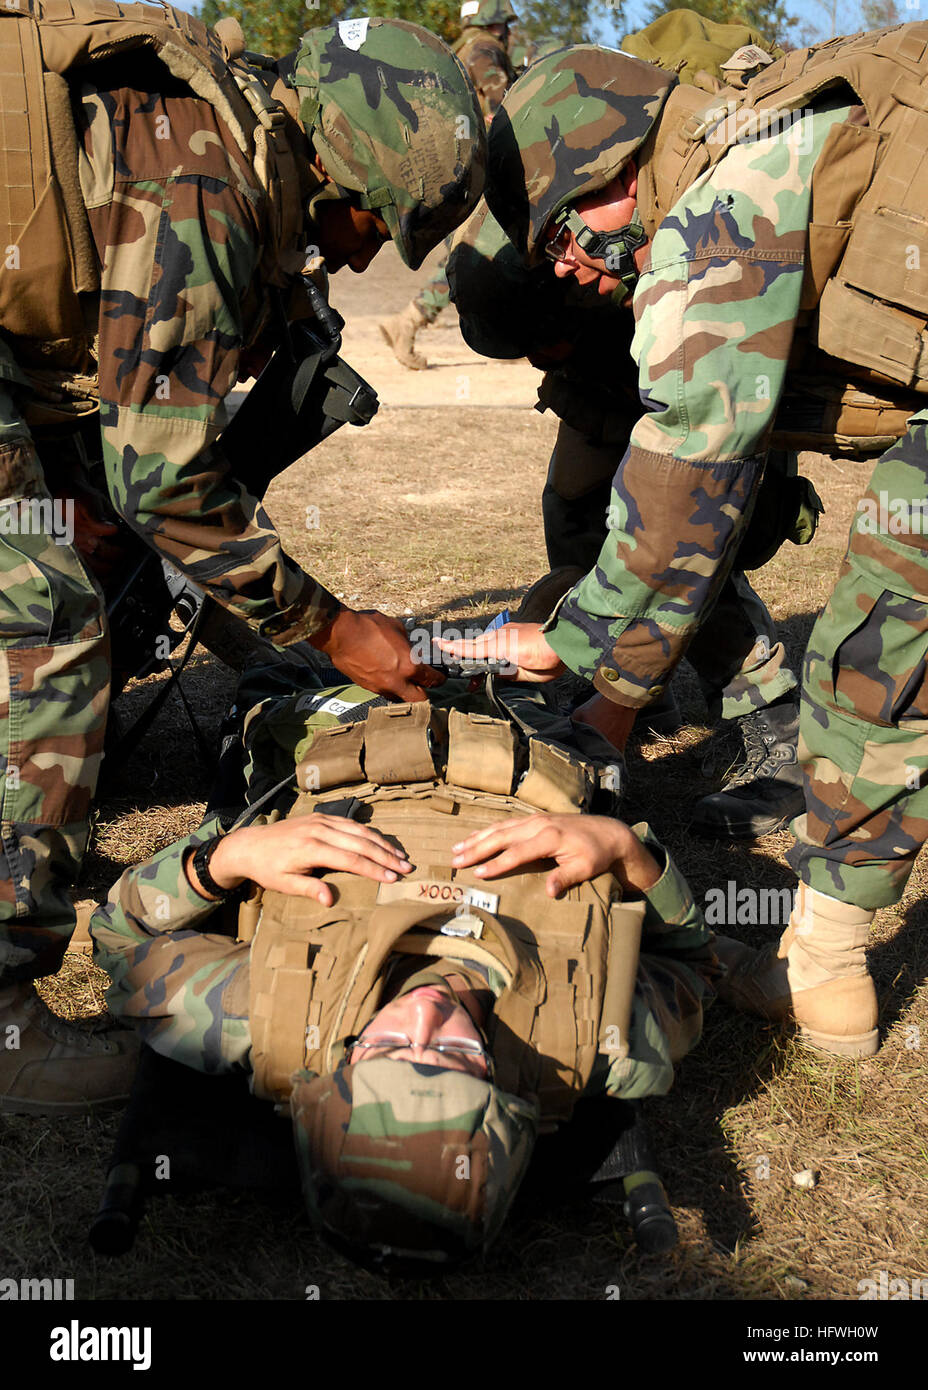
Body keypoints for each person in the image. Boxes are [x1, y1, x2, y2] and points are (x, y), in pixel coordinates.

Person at [0, 7, 486, 1114]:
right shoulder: (207, 194)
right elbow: (164, 484)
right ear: (339, 169)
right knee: (48, 633)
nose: (363, 252)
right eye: (374, 221)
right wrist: (333, 630)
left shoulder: (195, 129)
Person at [439, 27, 928, 1057]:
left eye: (565, 231)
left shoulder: (716, 208)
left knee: (878, 637)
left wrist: (586, 671)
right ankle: (827, 965)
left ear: (615, 164)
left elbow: (687, 480)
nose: (568, 264)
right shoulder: (771, 132)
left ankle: (823, 971)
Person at [89, 672, 719, 1266]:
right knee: (530, 666)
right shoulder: (592, 1037)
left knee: (277, 676)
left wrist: (223, 860)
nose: (426, 1015)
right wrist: (627, 854)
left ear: (341, 1061)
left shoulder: (266, 1014)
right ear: (501, 1081)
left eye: (388, 1046)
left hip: (344, 732)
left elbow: (120, 938)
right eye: (451, 1055)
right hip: (533, 746)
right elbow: (695, 964)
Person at [379, 0, 517, 371]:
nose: (509, 31)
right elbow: (507, 106)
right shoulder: (485, 51)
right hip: (475, 170)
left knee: (474, 251)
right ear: (497, 23)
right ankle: (408, 321)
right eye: (506, 23)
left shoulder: (458, 51)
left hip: (452, 167)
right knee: (484, 249)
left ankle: (411, 322)